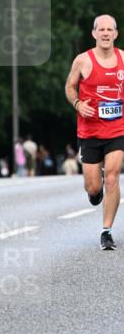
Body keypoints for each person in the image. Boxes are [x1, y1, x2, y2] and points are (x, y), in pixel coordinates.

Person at [64, 13, 124, 250]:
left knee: (112, 176)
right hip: (89, 131)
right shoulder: (83, 61)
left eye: (110, 30)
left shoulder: (123, 59)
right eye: (102, 30)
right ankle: (94, 194)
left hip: (117, 129)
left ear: (116, 34)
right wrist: (78, 104)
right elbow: (69, 87)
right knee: (94, 187)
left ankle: (106, 231)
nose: (106, 33)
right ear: (94, 34)